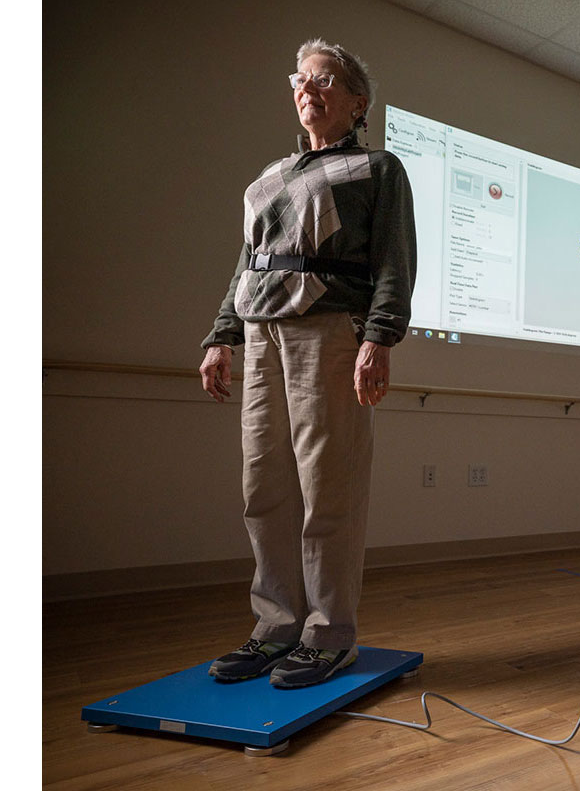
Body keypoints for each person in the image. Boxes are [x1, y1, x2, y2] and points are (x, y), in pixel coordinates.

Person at [196, 39, 416, 689]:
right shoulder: (267, 178)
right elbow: (246, 266)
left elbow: (393, 262)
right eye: (299, 78)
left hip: (331, 332)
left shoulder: (378, 169)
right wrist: (221, 337)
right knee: (262, 486)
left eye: (323, 80)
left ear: (356, 103)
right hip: (263, 333)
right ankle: (275, 628)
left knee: (329, 487)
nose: (306, 88)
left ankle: (328, 635)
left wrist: (379, 338)